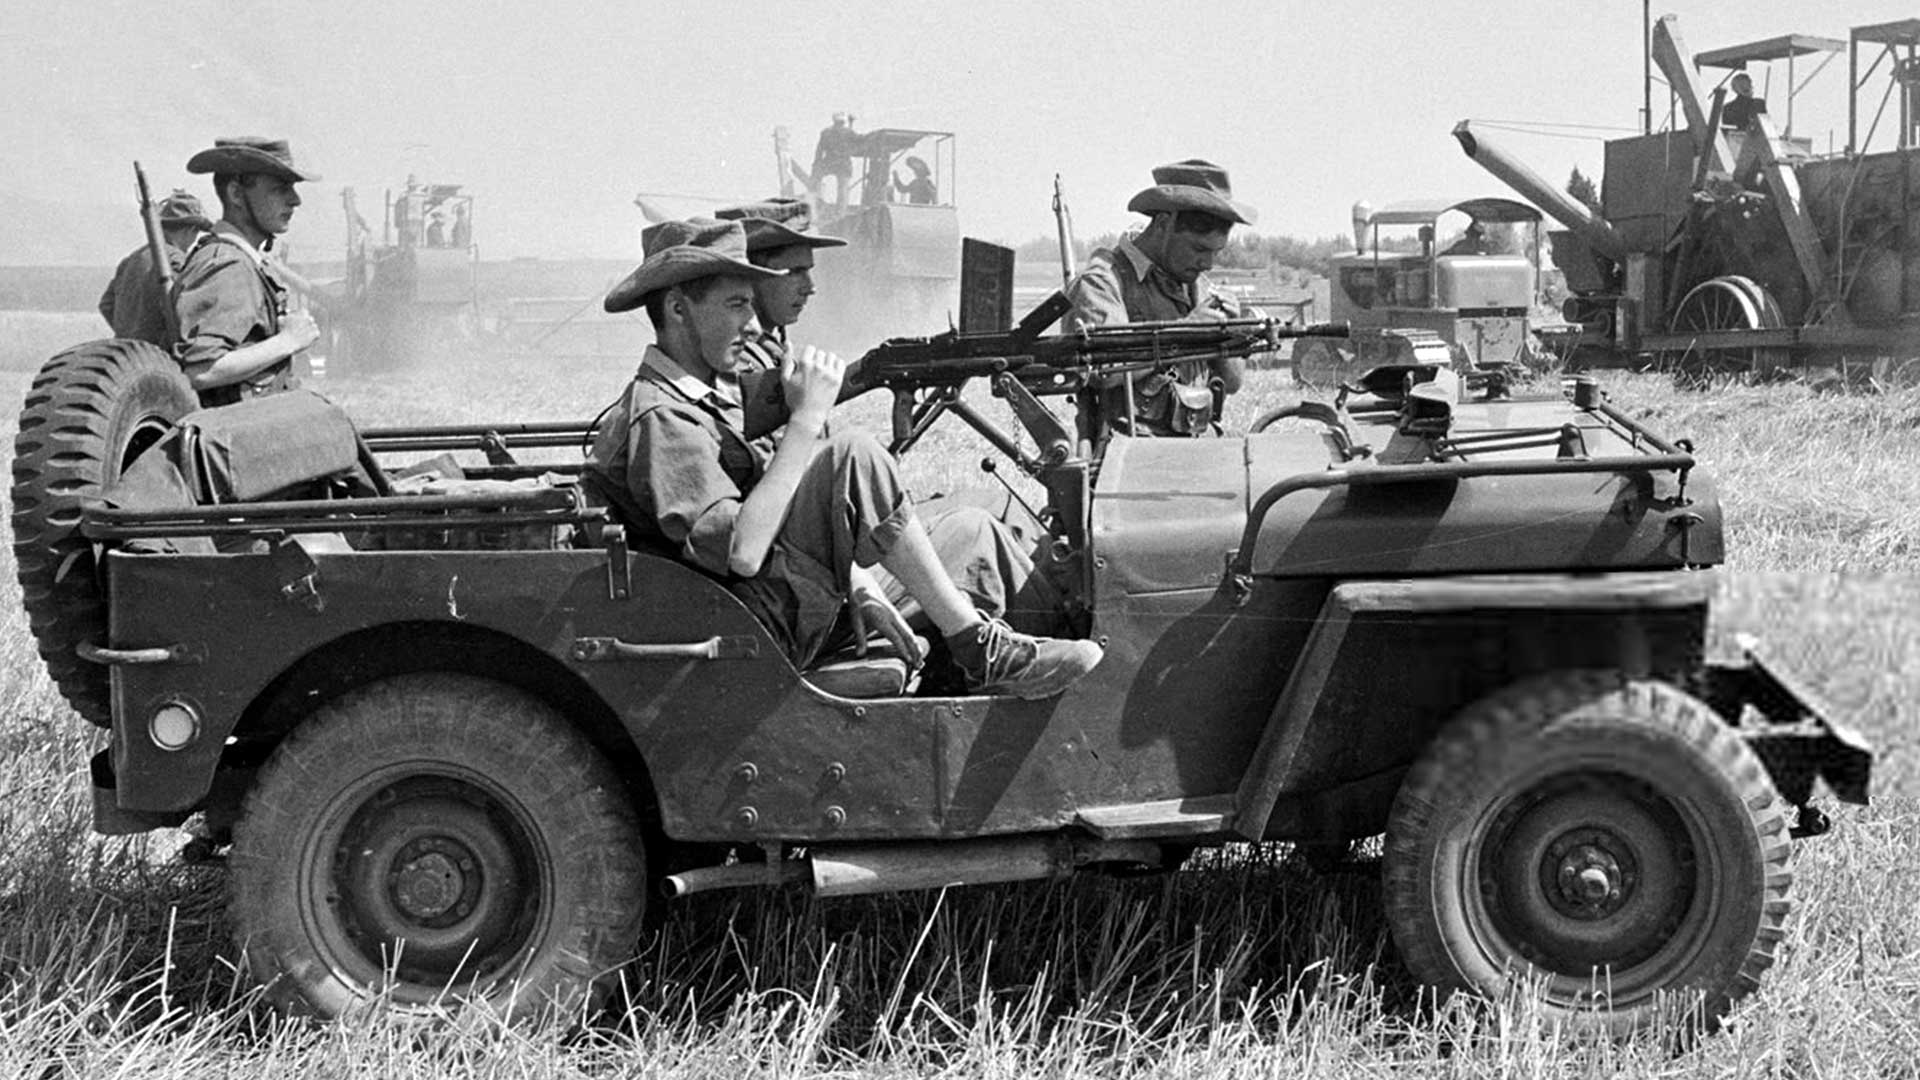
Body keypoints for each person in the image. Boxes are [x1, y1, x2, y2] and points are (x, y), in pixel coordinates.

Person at [584, 218, 1101, 699]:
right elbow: (741, 551)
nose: (752, 322)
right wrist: (807, 421)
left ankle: (1015, 653)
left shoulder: (709, 395)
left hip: (787, 600)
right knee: (852, 452)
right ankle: (978, 650)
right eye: (736, 305)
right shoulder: (661, 417)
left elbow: (776, 499)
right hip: (748, 632)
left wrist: (861, 588)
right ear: (677, 309)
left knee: (971, 527)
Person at [1064, 159, 1255, 438]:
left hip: (1196, 445)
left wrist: (1231, 333)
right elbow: (1103, 370)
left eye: (1216, 252)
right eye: (1199, 249)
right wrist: (1185, 332)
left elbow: (1233, 383)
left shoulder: (1195, 285)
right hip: (1128, 456)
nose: (1208, 264)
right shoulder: (1103, 282)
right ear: (1164, 224)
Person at [173, 136, 321, 407]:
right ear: (236, 194)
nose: (295, 200)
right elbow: (201, 370)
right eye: (279, 189)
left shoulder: (239, 260)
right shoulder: (228, 264)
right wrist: (289, 340)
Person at [98, 189, 210, 346]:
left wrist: (129, 333)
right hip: (159, 357)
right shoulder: (177, 260)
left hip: (127, 354)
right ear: (191, 230)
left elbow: (107, 305)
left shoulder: (131, 259)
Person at [812, 112, 858, 210]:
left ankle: (817, 204)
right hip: (843, 164)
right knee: (843, 189)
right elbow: (858, 142)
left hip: (830, 162)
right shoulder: (848, 132)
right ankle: (841, 211)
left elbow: (819, 151)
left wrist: (816, 165)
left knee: (816, 179)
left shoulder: (826, 133)